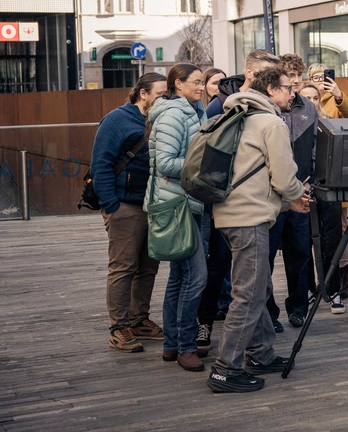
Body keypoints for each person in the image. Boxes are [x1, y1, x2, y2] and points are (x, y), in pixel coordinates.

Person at [207, 67, 310, 394]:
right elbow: (282, 176)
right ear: (270, 89)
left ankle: (261, 353)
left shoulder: (238, 115)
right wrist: (296, 195)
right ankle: (225, 369)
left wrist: (284, 201)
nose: (292, 93)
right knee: (248, 294)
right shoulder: (271, 123)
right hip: (249, 218)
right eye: (287, 87)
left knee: (256, 286)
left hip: (229, 213)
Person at [196, 50, 280, 354]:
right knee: (220, 269)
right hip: (232, 206)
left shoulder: (268, 109)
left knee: (258, 283)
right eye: (267, 75)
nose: (273, 82)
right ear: (250, 73)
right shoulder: (222, 104)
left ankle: (260, 350)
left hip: (258, 205)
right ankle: (206, 327)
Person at [92, 72, 167, 353]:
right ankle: (118, 327)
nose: (164, 99)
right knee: (123, 267)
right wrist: (112, 205)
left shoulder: (163, 118)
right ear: (143, 93)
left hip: (153, 205)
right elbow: (101, 164)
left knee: (148, 267)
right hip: (125, 205)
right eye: (160, 94)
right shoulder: (117, 120)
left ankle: (139, 320)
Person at [146, 63, 208, 372]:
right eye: (195, 82)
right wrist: (204, 162)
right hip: (176, 205)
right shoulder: (173, 114)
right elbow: (166, 163)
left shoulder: (195, 111)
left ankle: (171, 345)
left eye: (202, 82)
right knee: (196, 276)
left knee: (179, 277)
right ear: (178, 84)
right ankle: (185, 346)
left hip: (187, 202)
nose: (201, 87)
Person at [264, 53, 318, 331]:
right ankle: (269, 314)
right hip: (271, 197)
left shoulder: (309, 107)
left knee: (299, 253)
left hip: (301, 192)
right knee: (267, 256)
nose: (296, 81)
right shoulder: (267, 108)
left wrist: (308, 183)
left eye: (299, 75)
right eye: (291, 76)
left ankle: (298, 307)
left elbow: (315, 148)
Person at [304, 67, 348, 314]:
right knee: (304, 240)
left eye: (316, 96)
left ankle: (335, 287)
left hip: (330, 187)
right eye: (314, 78)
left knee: (333, 238)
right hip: (303, 187)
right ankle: (307, 290)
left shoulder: (330, 115)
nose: (313, 100)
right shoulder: (291, 120)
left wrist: (337, 94)